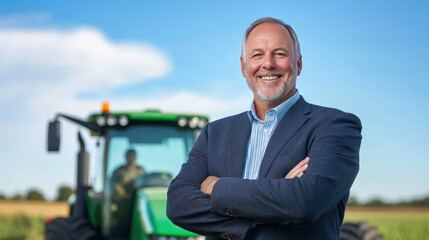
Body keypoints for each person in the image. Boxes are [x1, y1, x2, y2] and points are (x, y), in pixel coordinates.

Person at [167, 17, 362, 240]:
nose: (268, 64)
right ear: (243, 66)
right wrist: (274, 201)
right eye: (257, 54)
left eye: (280, 53)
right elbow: (178, 204)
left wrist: (218, 187)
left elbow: (305, 203)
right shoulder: (214, 134)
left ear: (298, 64)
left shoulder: (335, 126)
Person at [111, 149, 146, 236]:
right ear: (126, 157)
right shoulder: (119, 172)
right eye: (129, 156)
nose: (132, 158)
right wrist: (128, 197)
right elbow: (116, 189)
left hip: (139, 203)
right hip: (124, 205)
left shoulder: (141, 171)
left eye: (133, 156)